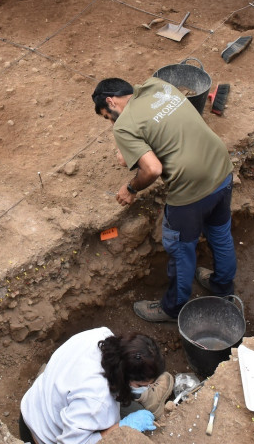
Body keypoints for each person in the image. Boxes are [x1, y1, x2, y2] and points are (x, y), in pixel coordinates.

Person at [92, 77, 236, 323]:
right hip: (221, 168)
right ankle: (222, 286)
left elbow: (153, 169)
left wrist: (131, 188)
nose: (112, 122)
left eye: (108, 116)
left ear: (110, 101)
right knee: (220, 234)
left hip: (190, 188)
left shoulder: (124, 125)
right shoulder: (159, 86)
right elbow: (161, 128)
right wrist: (130, 151)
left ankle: (173, 309)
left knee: (180, 250)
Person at [19, 327, 174, 444]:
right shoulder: (97, 401)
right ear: (124, 378)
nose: (145, 386)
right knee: (132, 433)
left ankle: (146, 398)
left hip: (40, 401)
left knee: (133, 411)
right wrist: (122, 427)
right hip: (45, 436)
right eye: (141, 385)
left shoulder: (102, 336)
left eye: (149, 384)